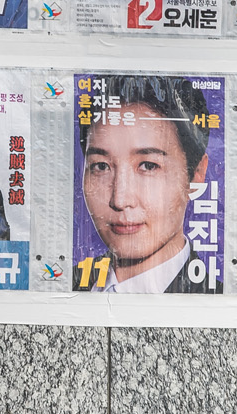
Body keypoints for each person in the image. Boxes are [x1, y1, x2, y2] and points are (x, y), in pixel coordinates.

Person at [79, 74, 219, 294]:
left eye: (148, 166)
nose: (120, 199)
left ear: (195, 173)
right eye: (101, 166)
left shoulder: (214, 300)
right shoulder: (61, 287)